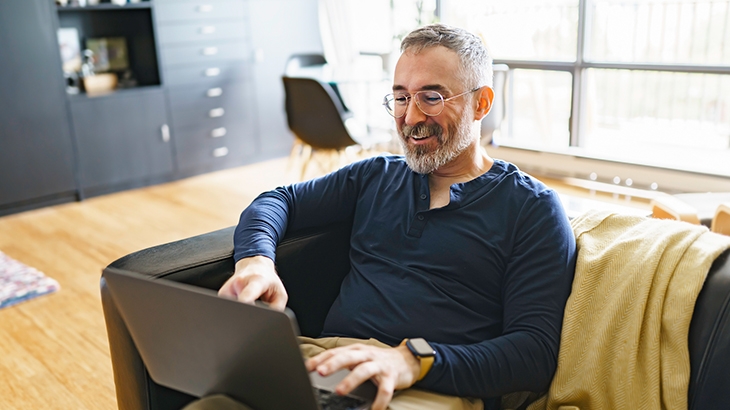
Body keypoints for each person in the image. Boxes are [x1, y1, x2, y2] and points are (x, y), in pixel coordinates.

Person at [211, 23, 576, 410]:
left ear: (482, 103)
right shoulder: (375, 174)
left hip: (428, 386)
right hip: (326, 363)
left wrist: (413, 359)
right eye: (401, 98)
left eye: (431, 97)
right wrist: (255, 263)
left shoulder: (532, 208)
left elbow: (532, 353)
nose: (411, 116)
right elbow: (277, 201)